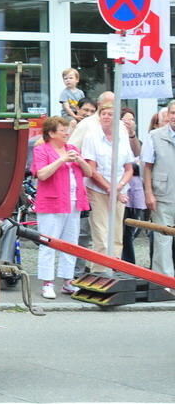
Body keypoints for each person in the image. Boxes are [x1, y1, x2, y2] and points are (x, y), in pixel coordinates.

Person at [31, 116, 92, 298]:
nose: (67, 133)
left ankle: (67, 281)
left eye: (67, 130)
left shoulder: (73, 149)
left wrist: (79, 160)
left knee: (70, 243)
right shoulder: (42, 150)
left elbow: (89, 172)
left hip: (73, 202)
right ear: (51, 133)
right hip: (51, 202)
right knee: (48, 243)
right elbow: (41, 174)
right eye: (63, 130)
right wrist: (62, 160)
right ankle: (47, 283)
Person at [81, 104, 135, 274]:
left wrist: (118, 188)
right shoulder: (91, 136)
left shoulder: (123, 135)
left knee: (117, 234)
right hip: (98, 191)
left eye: (110, 114)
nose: (106, 116)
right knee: (101, 233)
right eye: (103, 113)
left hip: (120, 191)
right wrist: (111, 189)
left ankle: (114, 269)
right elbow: (92, 170)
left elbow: (129, 168)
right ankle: (100, 271)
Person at [142, 99, 175, 276]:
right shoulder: (154, 136)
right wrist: (149, 193)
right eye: (173, 113)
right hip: (162, 194)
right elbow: (147, 166)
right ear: (168, 115)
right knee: (163, 240)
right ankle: (164, 281)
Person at [120, 107, 145, 265]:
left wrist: (131, 133)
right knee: (122, 230)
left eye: (132, 119)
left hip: (134, 189)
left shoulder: (133, 138)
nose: (129, 122)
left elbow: (138, 154)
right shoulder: (111, 138)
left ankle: (127, 262)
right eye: (125, 119)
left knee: (130, 228)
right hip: (119, 187)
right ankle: (126, 263)